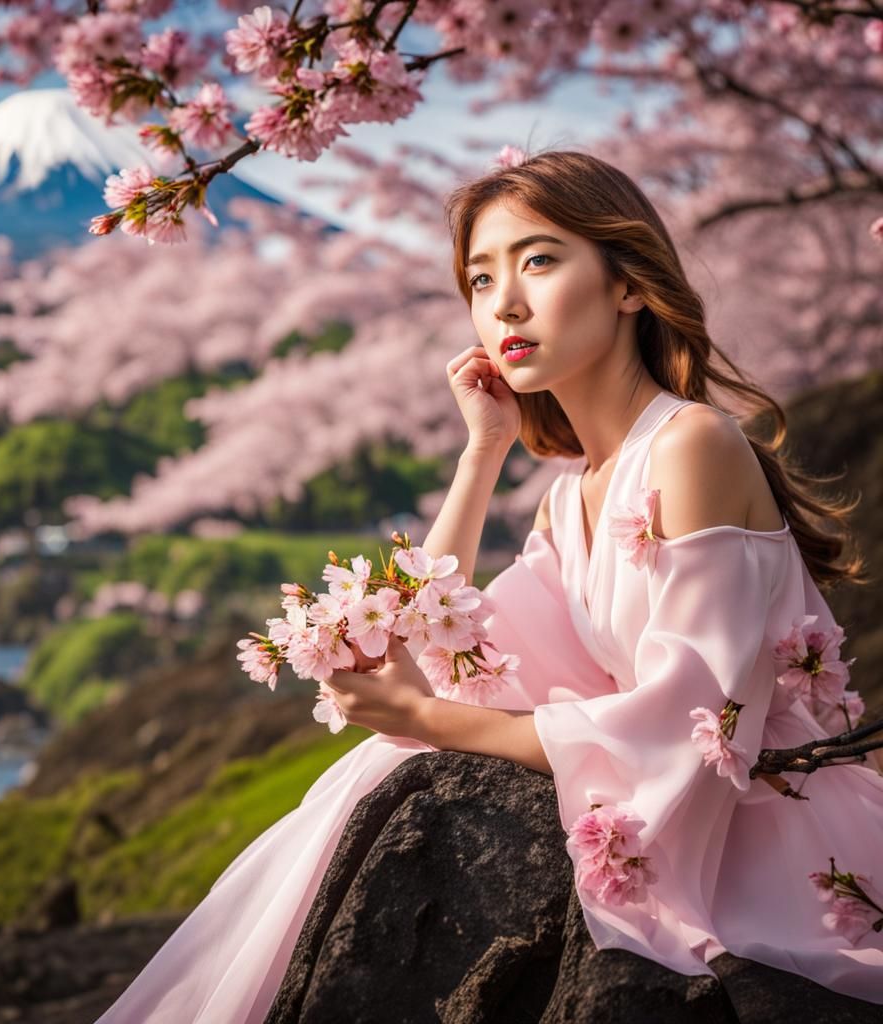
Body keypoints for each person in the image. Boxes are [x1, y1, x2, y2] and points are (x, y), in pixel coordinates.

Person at [94, 150, 883, 1022]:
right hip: (715, 808)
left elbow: (693, 722)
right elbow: (453, 648)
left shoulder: (691, 445)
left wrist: (425, 719)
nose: (504, 301)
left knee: (407, 750)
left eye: (539, 260)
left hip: (778, 829)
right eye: (479, 278)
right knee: (383, 764)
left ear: (627, 284)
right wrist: (482, 452)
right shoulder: (571, 498)